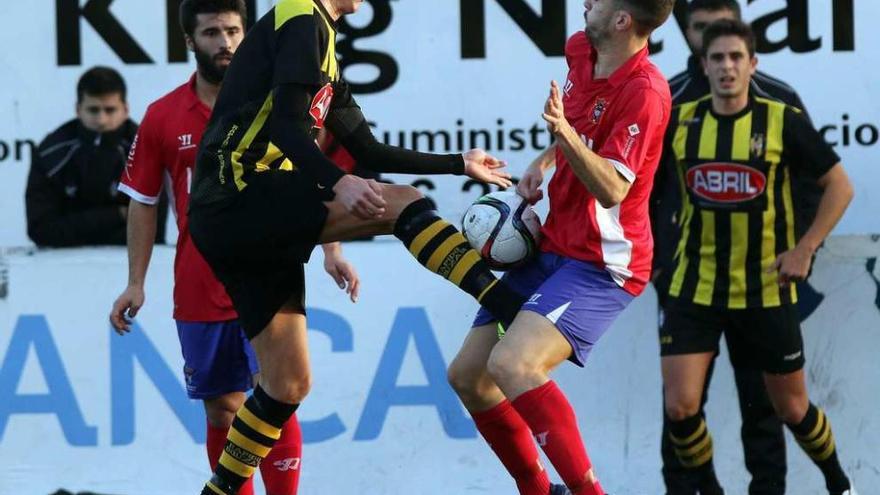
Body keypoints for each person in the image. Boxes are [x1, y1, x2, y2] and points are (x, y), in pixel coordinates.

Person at [185, 1, 525, 493]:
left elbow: (367, 149)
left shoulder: (318, 36)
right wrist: (337, 182)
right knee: (401, 203)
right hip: (240, 197)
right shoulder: (301, 17)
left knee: (287, 384)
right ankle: (506, 305)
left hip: (234, 218)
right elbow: (284, 126)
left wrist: (459, 163)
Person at [108, 2, 336, 494]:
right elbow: (144, 202)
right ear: (190, 41)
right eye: (211, 32)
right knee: (222, 407)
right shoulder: (162, 116)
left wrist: (333, 249)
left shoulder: (279, 105)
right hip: (198, 281)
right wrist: (135, 281)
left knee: (277, 392)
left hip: (265, 269)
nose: (225, 42)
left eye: (234, 30)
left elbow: (320, 177)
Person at [447, 1, 674, 494]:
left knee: (512, 364)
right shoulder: (581, 50)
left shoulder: (647, 93)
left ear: (623, 21)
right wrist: (546, 160)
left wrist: (565, 135)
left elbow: (613, 188)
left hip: (604, 264)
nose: (586, 2)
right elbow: (578, 132)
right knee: (468, 376)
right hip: (554, 246)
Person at [659, 19, 856, 495]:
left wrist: (805, 249)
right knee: (681, 408)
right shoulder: (680, 121)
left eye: (735, 58)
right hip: (694, 286)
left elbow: (839, 186)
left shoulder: (780, 119)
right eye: (717, 58)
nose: (727, 67)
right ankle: (710, 489)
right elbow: (636, 186)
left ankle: (838, 481)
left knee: (790, 409)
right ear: (703, 66)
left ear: (752, 64)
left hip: (766, 287)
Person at [25, 66, 167, 247]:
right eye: (93, 110)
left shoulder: (147, 151)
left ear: (125, 109)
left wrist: (77, 226)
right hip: (60, 265)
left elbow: (153, 232)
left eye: (110, 110)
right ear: (78, 109)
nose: (101, 119)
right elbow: (40, 230)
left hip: (129, 263)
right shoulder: (51, 153)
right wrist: (118, 215)